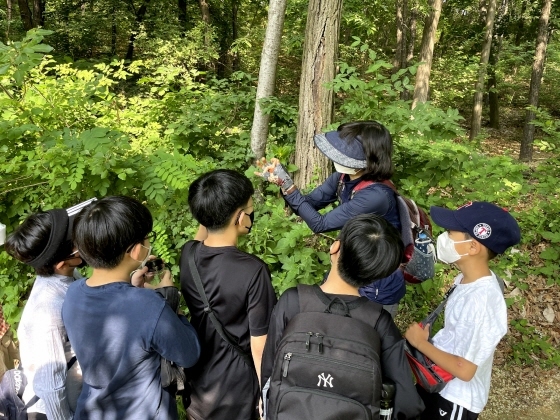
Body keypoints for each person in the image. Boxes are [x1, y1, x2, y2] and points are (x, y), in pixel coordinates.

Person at [261, 214, 425, 419]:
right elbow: (406, 405)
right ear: (379, 274)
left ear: (335, 248)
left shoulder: (293, 302)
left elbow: (269, 372)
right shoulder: (379, 323)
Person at [61, 196, 200, 420]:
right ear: (136, 251)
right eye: (147, 238)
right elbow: (189, 353)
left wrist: (130, 288)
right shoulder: (148, 305)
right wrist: (170, 301)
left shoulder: (73, 292)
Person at [257, 121, 404, 316]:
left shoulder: (376, 196)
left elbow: (320, 223)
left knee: (368, 335)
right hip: (350, 265)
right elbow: (306, 205)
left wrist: (289, 187)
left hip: (377, 279)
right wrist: (283, 182)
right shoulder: (343, 178)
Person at [405, 201, 521, 420]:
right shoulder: (465, 279)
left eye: (450, 233)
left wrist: (420, 343)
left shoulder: (482, 300)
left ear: (473, 247)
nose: (444, 238)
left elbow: (464, 370)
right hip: (439, 383)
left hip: (454, 400)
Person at [181, 169, 277, 420]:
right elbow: (260, 347)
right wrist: (266, 397)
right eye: (250, 208)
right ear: (240, 217)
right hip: (238, 390)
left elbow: (203, 233)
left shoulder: (188, 255)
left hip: (200, 386)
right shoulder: (253, 271)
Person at [4, 199, 96, 420]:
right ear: (60, 262)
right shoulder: (48, 310)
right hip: (55, 412)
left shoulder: (68, 277)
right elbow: (51, 386)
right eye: (77, 239)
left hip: (79, 399)